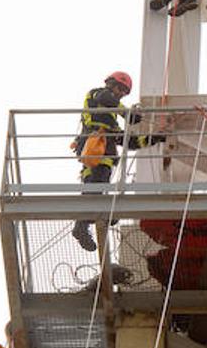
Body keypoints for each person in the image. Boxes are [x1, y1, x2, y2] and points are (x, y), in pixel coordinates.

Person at [71, 71, 166, 252]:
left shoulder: (111, 123)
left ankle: (88, 222)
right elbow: (106, 98)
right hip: (94, 149)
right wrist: (127, 113)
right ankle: (82, 226)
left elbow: (130, 142)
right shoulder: (96, 94)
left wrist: (155, 138)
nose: (121, 93)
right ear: (110, 83)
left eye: (124, 91)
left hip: (102, 155)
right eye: (119, 88)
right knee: (95, 184)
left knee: (98, 185)